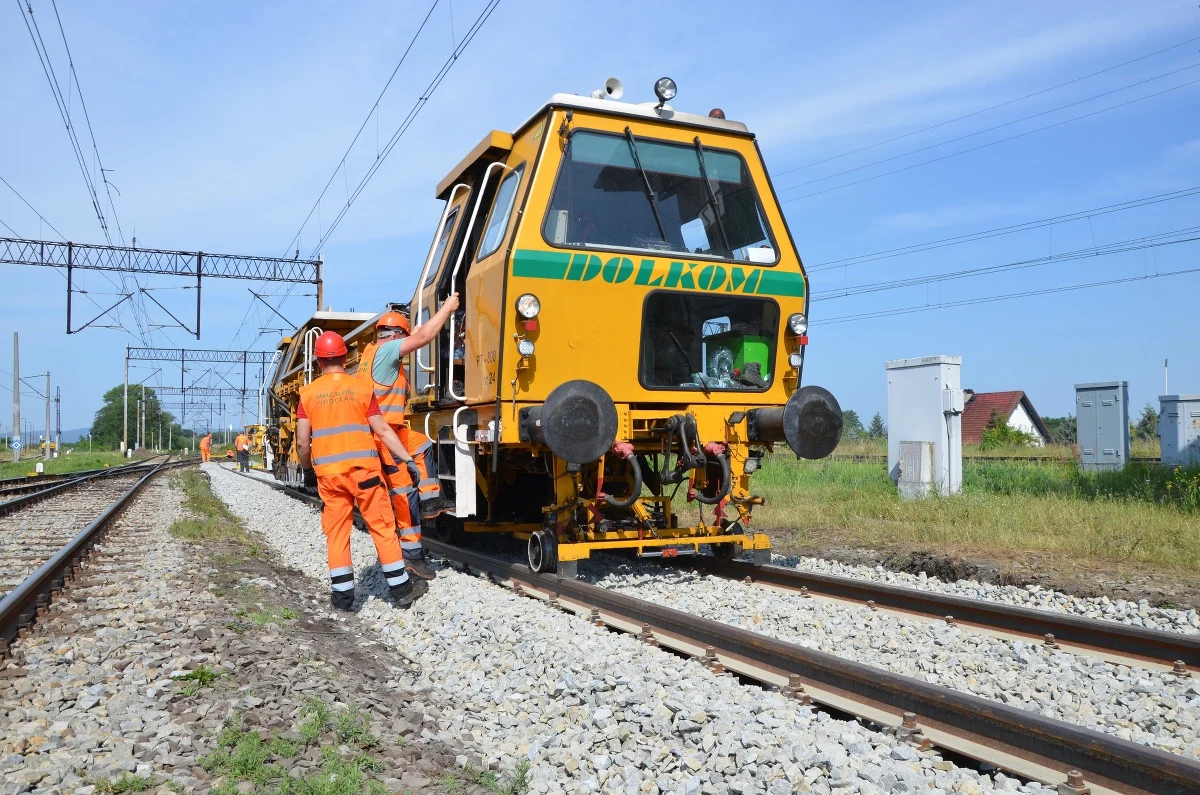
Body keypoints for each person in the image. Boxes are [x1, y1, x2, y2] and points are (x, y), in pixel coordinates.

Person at [296, 330, 426, 610]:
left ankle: (342, 598)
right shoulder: (362, 390)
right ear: (345, 358)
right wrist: (408, 459)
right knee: (381, 527)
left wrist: (307, 470)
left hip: (330, 478)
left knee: (337, 533)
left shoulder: (307, 395)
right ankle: (402, 591)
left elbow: (302, 442)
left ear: (319, 362)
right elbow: (383, 430)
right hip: (366, 475)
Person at [356, 295, 459, 581]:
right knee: (403, 496)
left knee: (423, 444)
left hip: (392, 432)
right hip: (384, 437)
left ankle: (431, 501)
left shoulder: (370, 354)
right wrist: (447, 309)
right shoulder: (388, 351)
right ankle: (413, 557)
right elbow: (424, 336)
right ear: (397, 336)